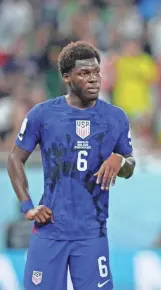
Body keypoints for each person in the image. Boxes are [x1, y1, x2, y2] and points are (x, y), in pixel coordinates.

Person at [7, 41, 136, 290]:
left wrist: (119, 159)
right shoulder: (42, 114)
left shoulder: (115, 117)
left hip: (92, 233)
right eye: (84, 73)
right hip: (50, 230)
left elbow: (130, 167)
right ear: (67, 77)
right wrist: (27, 206)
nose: (94, 79)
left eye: (96, 72)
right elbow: (14, 158)